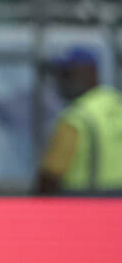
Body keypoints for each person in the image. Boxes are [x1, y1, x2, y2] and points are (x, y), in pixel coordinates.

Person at [36, 47, 122, 194]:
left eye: (67, 74)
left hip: (84, 203)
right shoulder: (116, 102)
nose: (60, 82)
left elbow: (51, 174)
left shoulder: (76, 118)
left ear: (90, 73)